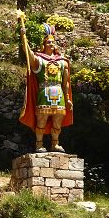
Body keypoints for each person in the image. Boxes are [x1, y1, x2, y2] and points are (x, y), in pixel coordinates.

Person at [17, 12, 73, 152]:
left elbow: (65, 82)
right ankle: (39, 144)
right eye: (48, 42)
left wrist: (67, 98)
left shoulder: (62, 62)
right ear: (44, 44)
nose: (51, 43)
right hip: (44, 92)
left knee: (58, 119)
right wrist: (24, 38)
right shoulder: (39, 59)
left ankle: (55, 143)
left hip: (58, 93)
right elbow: (29, 55)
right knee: (41, 119)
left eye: (53, 42)